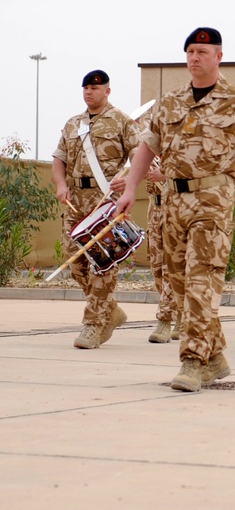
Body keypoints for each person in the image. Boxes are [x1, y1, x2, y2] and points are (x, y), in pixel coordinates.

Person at [116, 27, 235, 391]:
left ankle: (193, 362)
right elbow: (147, 148)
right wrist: (130, 188)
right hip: (173, 202)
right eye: (190, 51)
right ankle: (216, 355)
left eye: (203, 51)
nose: (195, 57)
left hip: (212, 202)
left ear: (218, 56)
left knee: (202, 280)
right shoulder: (169, 102)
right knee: (179, 284)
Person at [54, 70, 141, 349]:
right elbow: (59, 159)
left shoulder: (122, 121)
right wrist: (60, 184)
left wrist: (128, 180)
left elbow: (139, 156)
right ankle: (111, 310)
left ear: (107, 91)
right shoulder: (72, 124)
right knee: (75, 263)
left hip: (105, 203)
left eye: (95, 87)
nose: (89, 92)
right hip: (75, 201)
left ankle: (93, 325)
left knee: (102, 262)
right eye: (86, 88)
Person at [137, 108, 179, 344]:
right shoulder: (149, 150)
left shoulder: (180, 146)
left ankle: (165, 320)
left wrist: (166, 174)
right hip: (155, 210)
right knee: (156, 266)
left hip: (176, 208)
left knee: (171, 267)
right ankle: (179, 312)